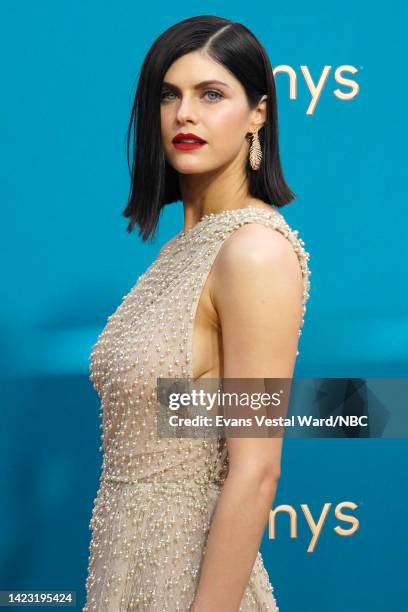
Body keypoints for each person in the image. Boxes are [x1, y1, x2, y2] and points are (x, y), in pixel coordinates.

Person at [83, 14, 311, 612]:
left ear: (259, 112)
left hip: (190, 584)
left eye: (212, 94)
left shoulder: (254, 251)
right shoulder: (184, 250)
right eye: (169, 95)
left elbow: (258, 469)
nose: (185, 114)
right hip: (125, 568)